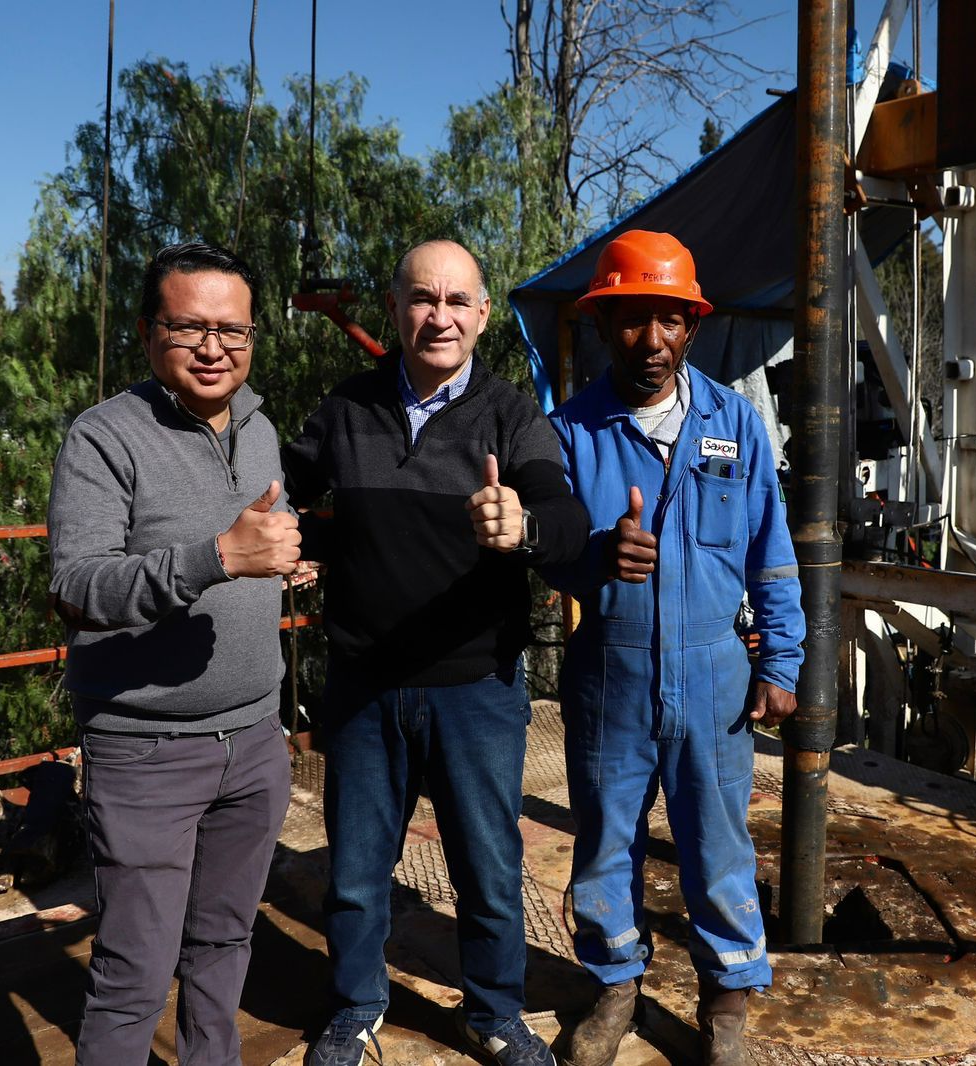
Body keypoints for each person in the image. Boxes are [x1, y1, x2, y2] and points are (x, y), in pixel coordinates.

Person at [284, 239, 590, 1066]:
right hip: (364, 684)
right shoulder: (344, 411)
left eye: (459, 301)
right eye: (424, 298)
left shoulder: (510, 415)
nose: (440, 316)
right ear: (395, 308)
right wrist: (298, 538)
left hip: (474, 688)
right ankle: (354, 1006)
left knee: (488, 866)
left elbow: (567, 520)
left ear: (483, 316)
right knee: (354, 868)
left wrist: (522, 526)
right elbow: (282, 499)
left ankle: (493, 1012)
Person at [540, 230, 805, 1066]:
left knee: (718, 843)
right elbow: (536, 545)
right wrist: (591, 558)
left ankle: (726, 1003)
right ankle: (615, 987)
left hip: (715, 674)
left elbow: (771, 551)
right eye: (629, 321)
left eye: (666, 321)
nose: (648, 342)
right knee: (605, 840)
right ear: (601, 323)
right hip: (608, 675)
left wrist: (782, 661)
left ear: (692, 325)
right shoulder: (569, 432)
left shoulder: (736, 425)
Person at [48, 241, 299, 1066]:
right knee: (133, 974)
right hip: (147, 751)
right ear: (149, 332)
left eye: (233, 329)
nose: (213, 347)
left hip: (256, 742)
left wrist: (282, 559)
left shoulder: (259, 428)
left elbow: (261, 535)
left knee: (225, 947)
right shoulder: (104, 437)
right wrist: (217, 558)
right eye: (188, 326)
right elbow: (77, 586)